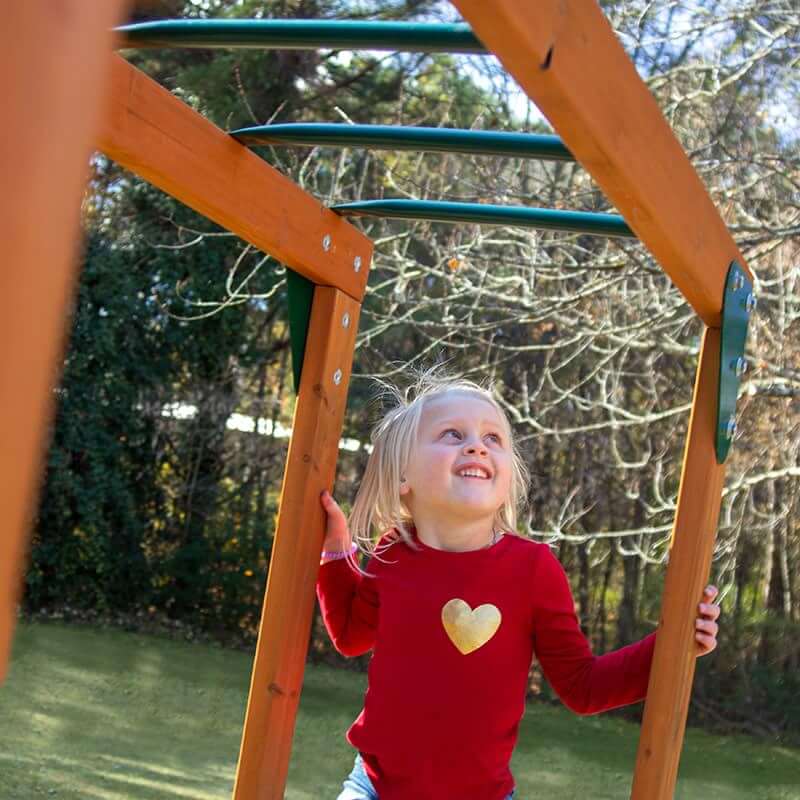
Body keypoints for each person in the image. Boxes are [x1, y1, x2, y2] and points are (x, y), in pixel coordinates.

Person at [316, 369, 721, 800]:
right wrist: (336, 553)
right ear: (403, 479)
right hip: (375, 788)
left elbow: (584, 688)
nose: (476, 444)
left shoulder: (532, 570)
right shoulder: (393, 554)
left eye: (494, 438)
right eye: (452, 434)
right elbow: (350, 635)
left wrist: (676, 642)